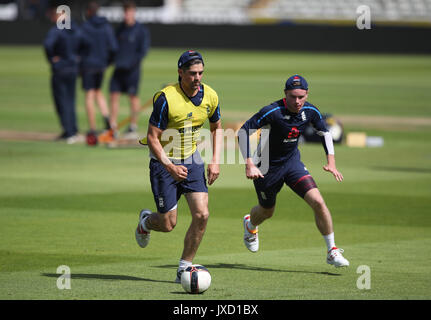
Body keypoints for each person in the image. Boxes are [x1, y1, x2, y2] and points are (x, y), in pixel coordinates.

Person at [238, 75, 349, 268]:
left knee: (318, 202)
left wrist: (331, 162)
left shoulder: (310, 110)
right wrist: (249, 163)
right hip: (266, 167)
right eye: (292, 96)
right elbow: (243, 131)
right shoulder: (272, 111)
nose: (297, 101)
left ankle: (332, 251)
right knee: (266, 211)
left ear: (306, 95)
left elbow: (324, 132)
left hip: (292, 164)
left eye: (301, 96)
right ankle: (250, 225)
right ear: (285, 94)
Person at [135, 50, 222, 282]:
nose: (197, 78)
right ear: (180, 73)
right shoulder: (166, 98)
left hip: (192, 160)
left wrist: (215, 160)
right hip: (163, 162)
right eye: (192, 73)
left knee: (202, 215)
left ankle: (184, 267)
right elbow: (152, 138)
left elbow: (217, 128)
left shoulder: (210, 96)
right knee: (167, 224)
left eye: (200, 73)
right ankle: (146, 222)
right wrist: (170, 167)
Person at [43, 6, 86, 144]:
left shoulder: (57, 30)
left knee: (62, 101)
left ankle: (68, 131)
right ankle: (72, 129)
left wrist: (53, 59)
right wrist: (78, 58)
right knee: (71, 101)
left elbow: (48, 45)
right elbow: (84, 44)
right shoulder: (76, 29)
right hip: (73, 69)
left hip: (61, 69)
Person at [109, 0, 151, 139]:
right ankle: (113, 126)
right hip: (118, 69)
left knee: (133, 97)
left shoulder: (140, 30)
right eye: (125, 12)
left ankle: (133, 125)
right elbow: (113, 47)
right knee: (114, 95)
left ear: (133, 12)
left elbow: (143, 50)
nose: (127, 14)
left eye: (129, 11)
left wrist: (132, 63)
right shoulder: (120, 29)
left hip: (132, 70)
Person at [80, 1, 118, 139]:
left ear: (89, 12)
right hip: (101, 65)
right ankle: (108, 122)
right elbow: (113, 47)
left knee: (89, 95)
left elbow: (79, 45)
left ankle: (92, 129)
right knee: (98, 92)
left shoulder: (85, 27)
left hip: (88, 65)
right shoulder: (106, 27)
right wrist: (107, 62)